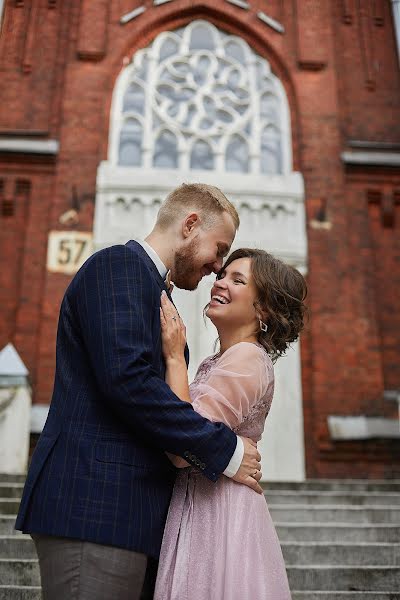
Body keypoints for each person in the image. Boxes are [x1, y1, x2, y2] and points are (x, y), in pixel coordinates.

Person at [15, 184, 263, 600]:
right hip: (95, 505)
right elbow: (128, 381)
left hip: (132, 517)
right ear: (189, 225)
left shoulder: (153, 289)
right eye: (219, 250)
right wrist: (226, 450)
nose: (217, 267)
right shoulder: (118, 267)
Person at [154, 248, 307, 600]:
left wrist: (175, 358)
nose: (219, 283)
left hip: (219, 509)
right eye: (222, 276)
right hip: (203, 498)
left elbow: (185, 445)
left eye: (237, 280)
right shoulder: (222, 359)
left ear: (263, 309)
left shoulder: (247, 358)